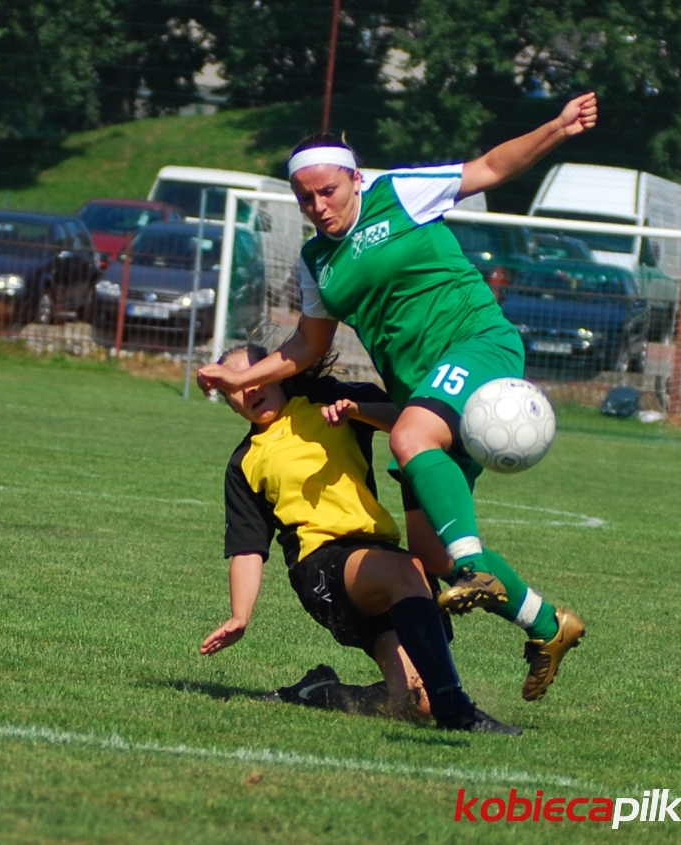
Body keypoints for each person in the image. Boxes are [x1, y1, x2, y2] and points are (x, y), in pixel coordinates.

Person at [198, 93, 597, 702]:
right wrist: (238, 380)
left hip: (476, 343)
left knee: (411, 441)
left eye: (328, 191)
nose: (318, 206)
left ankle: (473, 570)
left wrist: (557, 129)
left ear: (356, 179)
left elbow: (490, 167)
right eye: (305, 198)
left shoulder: (400, 193)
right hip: (422, 393)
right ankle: (548, 625)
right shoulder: (316, 261)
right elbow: (307, 346)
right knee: (431, 556)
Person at [199, 343, 521, 735]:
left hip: (378, 561)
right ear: (229, 402)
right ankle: (459, 711)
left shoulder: (327, 402)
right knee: (408, 568)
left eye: (253, 376)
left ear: (275, 373)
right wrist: (240, 616)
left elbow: (412, 424)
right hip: (322, 566)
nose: (248, 390)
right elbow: (248, 549)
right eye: (234, 387)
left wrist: (357, 411)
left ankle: (318, 691)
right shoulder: (245, 461)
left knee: (417, 702)